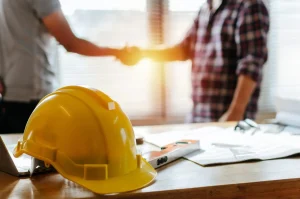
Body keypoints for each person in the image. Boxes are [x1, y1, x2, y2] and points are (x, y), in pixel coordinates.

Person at [119, 0, 270, 123]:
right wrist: (142, 53)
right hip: (198, 119)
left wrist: (235, 113)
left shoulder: (249, 5)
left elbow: (251, 63)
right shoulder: (206, 8)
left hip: (228, 119)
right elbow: (183, 50)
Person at [0, 0, 135, 133]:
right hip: (33, 100)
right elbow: (71, 43)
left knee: (14, 152)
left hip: (11, 97)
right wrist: (118, 52)